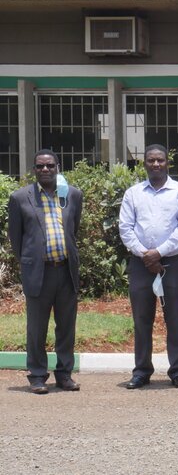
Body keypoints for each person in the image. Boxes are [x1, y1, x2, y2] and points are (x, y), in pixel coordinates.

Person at [119, 144, 178, 390]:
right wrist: (145, 255)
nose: (155, 164)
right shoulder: (133, 193)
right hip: (141, 265)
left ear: (167, 163)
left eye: (160, 160)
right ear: (144, 164)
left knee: (175, 320)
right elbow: (125, 228)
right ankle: (141, 371)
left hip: (172, 263)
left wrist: (158, 253)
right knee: (142, 321)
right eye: (151, 160)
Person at [7, 150, 83, 394]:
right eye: (40, 166)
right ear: (34, 170)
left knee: (66, 327)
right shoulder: (20, 198)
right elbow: (15, 238)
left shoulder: (71, 195)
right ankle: (37, 376)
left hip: (66, 271)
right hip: (38, 272)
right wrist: (29, 262)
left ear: (58, 167)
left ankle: (64, 374)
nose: (45, 170)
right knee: (36, 328)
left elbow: (74, 229)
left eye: (50, 165)